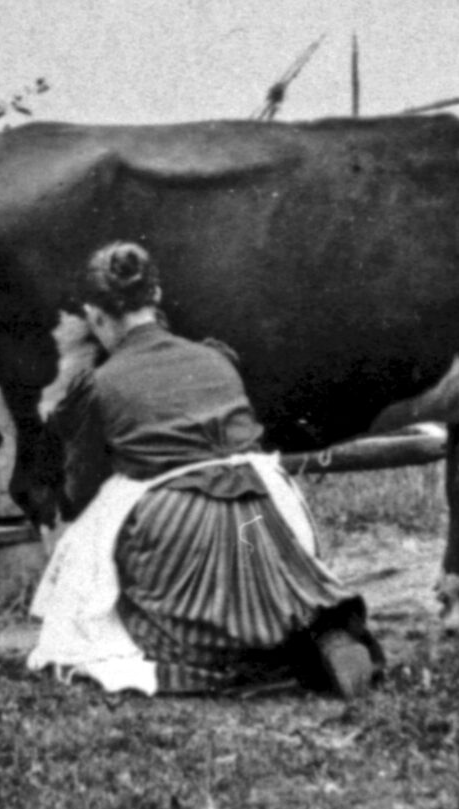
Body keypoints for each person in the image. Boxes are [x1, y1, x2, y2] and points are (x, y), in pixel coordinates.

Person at [24, 240, 385, 697]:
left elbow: (80, 491)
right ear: (155, 298)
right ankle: (310, 635)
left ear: (95, 317)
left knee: (108, 537)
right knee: (268, 567)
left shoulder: (98, 385)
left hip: (177, 519)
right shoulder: (216, 359)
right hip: (261, 509)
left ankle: (232, 655)